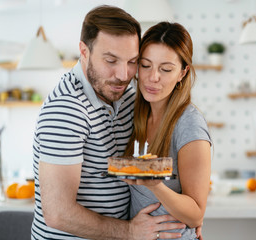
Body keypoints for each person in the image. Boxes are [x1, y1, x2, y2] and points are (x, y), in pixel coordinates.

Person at [31, 5, 186, 240]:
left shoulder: (127, 92)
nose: (123, 74)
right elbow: (58, 214)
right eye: (111, 60)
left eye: (132, 61)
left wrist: (189, 217)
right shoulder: (66, 109)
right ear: (84, 51)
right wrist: (130, 231)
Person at [124, 22, 212, 240]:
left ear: (183, 73)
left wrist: (156, 186)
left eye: (166, 69)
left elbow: (196, 215)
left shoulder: (189, 125)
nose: (153, 77)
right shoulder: (135, 114)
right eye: (145, 65)